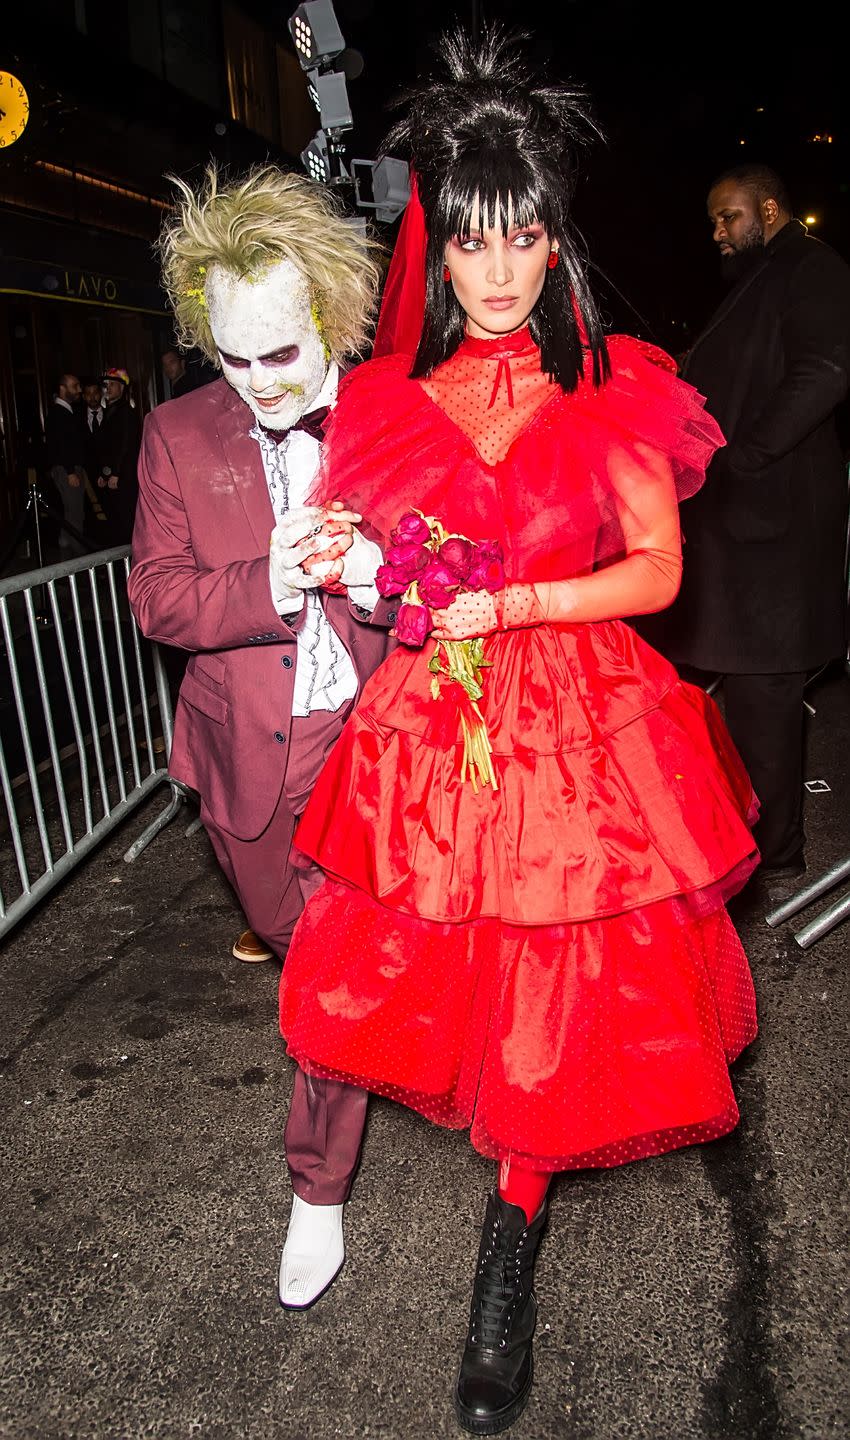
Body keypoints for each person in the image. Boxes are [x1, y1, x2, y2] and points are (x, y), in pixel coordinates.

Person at [276, 28, 760, 1435]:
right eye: (471, 242)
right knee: (451, 970)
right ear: (443, 243)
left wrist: (516, 603)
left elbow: (657, 573)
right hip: (437, 727)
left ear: (551, 246)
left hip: (574, 722)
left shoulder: (613, 389)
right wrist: (330, 555)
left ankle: (511, 1236)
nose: (494, 273)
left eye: (521, 239)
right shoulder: (387, 405)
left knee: (557, 980)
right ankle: (491, 1184)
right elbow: (376, 559)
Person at [126, 163, 396, 1304]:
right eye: (230, 358)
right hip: (242, 760)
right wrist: (264, 582)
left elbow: (461, 579)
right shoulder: (178, 433)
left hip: (380, 744)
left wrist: (378, 573)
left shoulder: (400, 415)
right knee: (312, 966)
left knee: (335, 982)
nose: (256, 384)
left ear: (329, 317)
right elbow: (156, 598)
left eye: (280, 353)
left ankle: (315, 1187)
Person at [638, 163, 850, 883]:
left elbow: (823, 371)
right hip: (744, 529)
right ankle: (749, 844)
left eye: (728, 217)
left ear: (768, 206)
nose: (717, 233)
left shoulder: (812, 268)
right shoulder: (762, 277)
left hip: (778, 527)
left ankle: (776, 856)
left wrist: (743, 456)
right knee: (739, 691)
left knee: (764, 696)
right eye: (712, 222)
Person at [97, 367, 142, 545]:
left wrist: (116, 473)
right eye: (106, 385)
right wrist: (103, 473)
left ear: (122, 388)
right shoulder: (108, 411)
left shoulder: (126, 412)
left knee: (125, 520)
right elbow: (105, 447)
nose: (108, 388)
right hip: (112, 476)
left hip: (124, 477)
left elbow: (126, 445)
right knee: (113, 520)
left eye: (112, 385)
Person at [44, 371, 87, 557]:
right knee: (75, 514)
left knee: (71, 513)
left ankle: (66, 559)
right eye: (74, 386)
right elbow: (62, 444)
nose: (79, 390)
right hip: (67, 470)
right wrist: (70, 471)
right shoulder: (58, 413)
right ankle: (80, 560)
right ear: (62, 389)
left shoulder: (65, 411)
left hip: (67, 469)